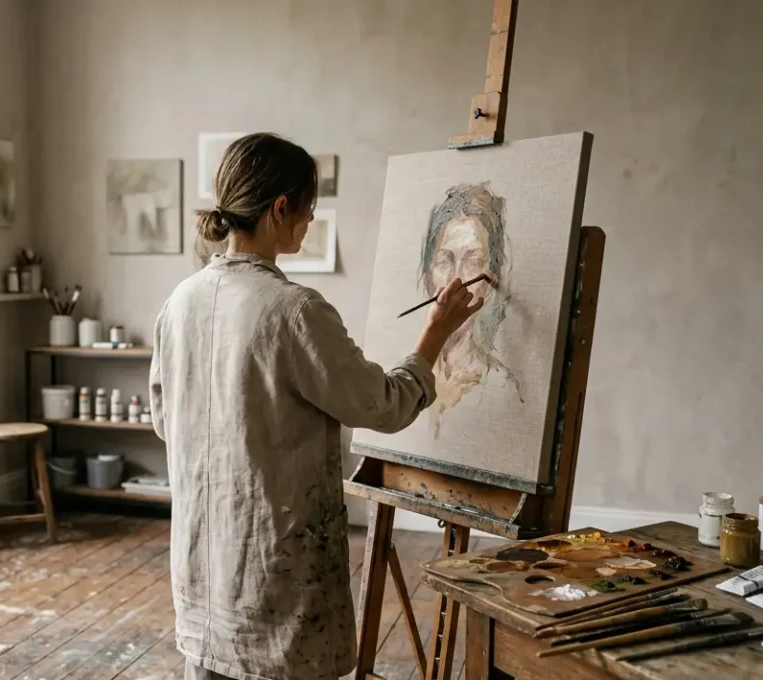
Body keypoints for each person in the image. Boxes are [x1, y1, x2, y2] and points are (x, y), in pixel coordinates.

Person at [149, 133, 483, 680]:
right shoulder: (294, 311)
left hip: (203, 576)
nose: (309, 222)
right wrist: (435, 334)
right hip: (272, 579)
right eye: (308, 209)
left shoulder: (178, 302)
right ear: (281, 208)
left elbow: (167, 422)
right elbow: (386, 404)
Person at [416, 182, 521, 432]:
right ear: (429, 271)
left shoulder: (499, 384)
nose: (456, 281)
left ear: (490, 280)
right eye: (444, 260)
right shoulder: (404, 379)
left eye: (473, 262)